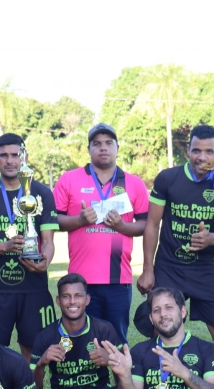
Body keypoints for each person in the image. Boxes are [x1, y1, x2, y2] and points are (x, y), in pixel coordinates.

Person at [138, 125, 214, 348]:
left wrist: (212, 239)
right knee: (160, 327)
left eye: (209, 151)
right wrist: (148, 269)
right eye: (196, 151)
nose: (202, 157)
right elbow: (152, 224)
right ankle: (159, 376)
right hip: (169, 266)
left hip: (205, 268)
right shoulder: (168, 178)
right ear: (187, 150)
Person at [53, 122, 150, 342]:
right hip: (80, 282)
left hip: (118, 280)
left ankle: (119, 378)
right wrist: (79, 220)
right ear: (89, 149)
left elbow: (147, 224)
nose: (103, 148)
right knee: (83, 342)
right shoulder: (69, 179)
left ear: (117, 148)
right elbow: (54, 221)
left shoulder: (134, 183)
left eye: (108, 143)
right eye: (97, 144)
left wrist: (122, 227)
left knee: (116, 342)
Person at [0, 133, 58, 362]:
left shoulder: (42, 193)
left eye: (15, 155)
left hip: (33, 287)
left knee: (34, 350)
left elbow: (47, 240)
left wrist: (45, 261)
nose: (10, 161)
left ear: (24, 157)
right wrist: (7, 245)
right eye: (3, 155)